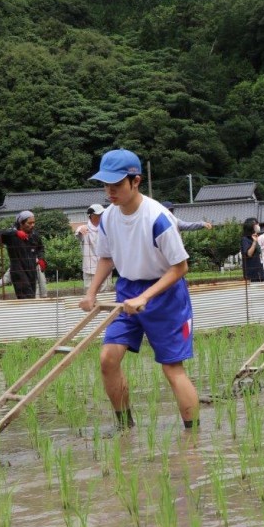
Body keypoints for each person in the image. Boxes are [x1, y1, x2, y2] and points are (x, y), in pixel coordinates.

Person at [79, 149, 200, 432]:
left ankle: (193, 438)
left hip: (165, 294)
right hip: (127, 291)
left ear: (135, 181)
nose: (110, 191)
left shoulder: (158, 217)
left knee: (172, 368)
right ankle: (125, 428)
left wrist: (146, 296)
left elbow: (180, 267)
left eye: (117, 185)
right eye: (106, 185)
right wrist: (91, 292)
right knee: (108, 358)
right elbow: (107, 258)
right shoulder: (108, 217)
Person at [0, 210, 44, 300]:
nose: (33, 225)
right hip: (18, 270)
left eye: (34, 223)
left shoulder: (34, 235)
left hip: (31, 270)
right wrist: (15, 233)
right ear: (21, 223)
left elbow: (40, 248)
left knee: (31, 296)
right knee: (26, 297)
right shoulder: (11, 235)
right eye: (30, 223)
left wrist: (41, 258)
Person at [75, 203, 112, 293]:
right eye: (98, 214)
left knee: (106, 294)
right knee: (90, 293)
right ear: (91, 215)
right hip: (89, 269)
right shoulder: (84, 229)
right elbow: (78, 233)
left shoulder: (107, 228)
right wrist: (80, 230)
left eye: (102, 214)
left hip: (106, 267)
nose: (101, 216)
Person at [241, 217, 264, 282]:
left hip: (259, 270)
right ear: (250, 226)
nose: (258, 226)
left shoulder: (255, 237)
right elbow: (249, 254)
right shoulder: (245, 239)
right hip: (251, 273)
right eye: (256, 224)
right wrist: (254, 242)